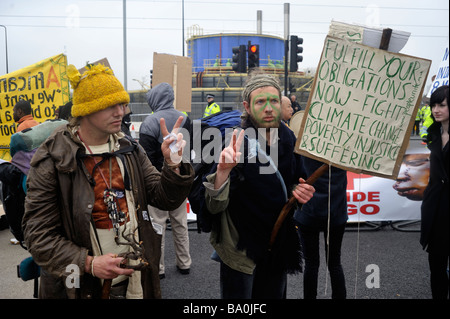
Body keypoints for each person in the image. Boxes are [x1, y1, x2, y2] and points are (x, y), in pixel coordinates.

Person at [22, 64, 194, 299]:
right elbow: (37, 235)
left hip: (135, 281)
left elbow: (164, 197)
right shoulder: (53, 159)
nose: (120, 112)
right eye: (110, 106)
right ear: (86, 109)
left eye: (122, 104)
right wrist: (89, 263)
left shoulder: (129, 148)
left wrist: (172, 165)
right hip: (80, 286)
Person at [204, 72, 315, 299]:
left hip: (277, 243)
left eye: (274, 101)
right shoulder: (233, 141)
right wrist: (223, 172)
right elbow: (212, 205)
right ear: (247, 105)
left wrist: (299, 191)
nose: (268, 108)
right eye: (260, 101)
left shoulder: (288, 138)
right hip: (240, 248)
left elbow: (294, 180)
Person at [139, 82, 192, 279]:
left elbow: (147, 158)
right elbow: (191, 149)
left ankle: (159, 268)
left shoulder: (149, 122)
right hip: (180, 177)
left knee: (157, 225)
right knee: (180, 222)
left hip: (159, 181)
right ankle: (184, 263)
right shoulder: (184, 118)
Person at [293, 158, 348, 299]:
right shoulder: (346, 150)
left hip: (308, 211)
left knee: (311, 263)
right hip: (336, 212)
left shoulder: (305, 147)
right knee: (334, 262)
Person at [420, 84, 449, 299]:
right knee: (436, 265)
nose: (436, 110)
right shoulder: (433, 134)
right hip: (436, 209)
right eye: (433, 105)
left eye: (442, 105)